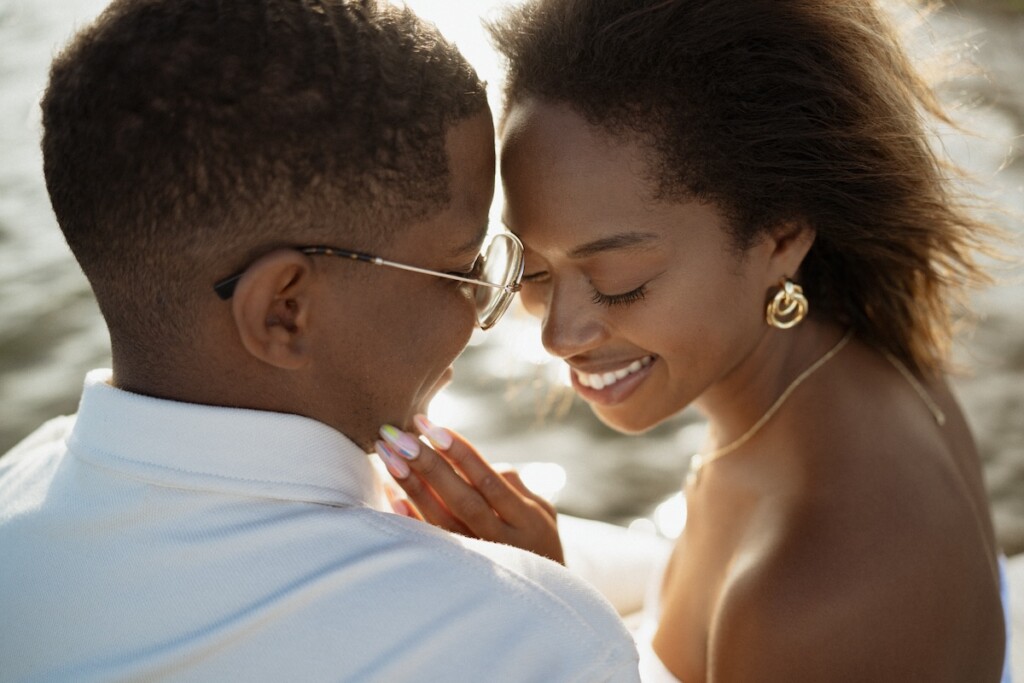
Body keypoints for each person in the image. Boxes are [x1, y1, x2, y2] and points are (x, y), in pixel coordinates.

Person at [0, 0, 641, 680]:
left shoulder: (16, 494)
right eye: (459, 270)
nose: (486, 305)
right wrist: (543, 593)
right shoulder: (521, 640)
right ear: (285, 311)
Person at [382, 0, 1014, 680]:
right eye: (533, 268)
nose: (559, 334)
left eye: (619, 280)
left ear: (780, 236)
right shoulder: (844, 365)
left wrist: (553, 613)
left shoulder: (811, 589)